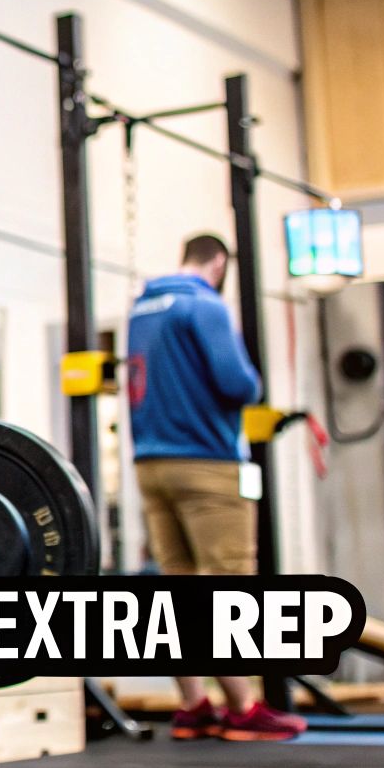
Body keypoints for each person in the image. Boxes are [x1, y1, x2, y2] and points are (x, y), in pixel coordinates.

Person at [126, 234, 307, 742]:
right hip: (206, 464)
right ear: (220, 262)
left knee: (177, 586)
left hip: (151, 464)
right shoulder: (204, 304)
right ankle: (244, 707)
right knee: (229, 586)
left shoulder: (143, 307)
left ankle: (193, 705)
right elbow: (239, 384)